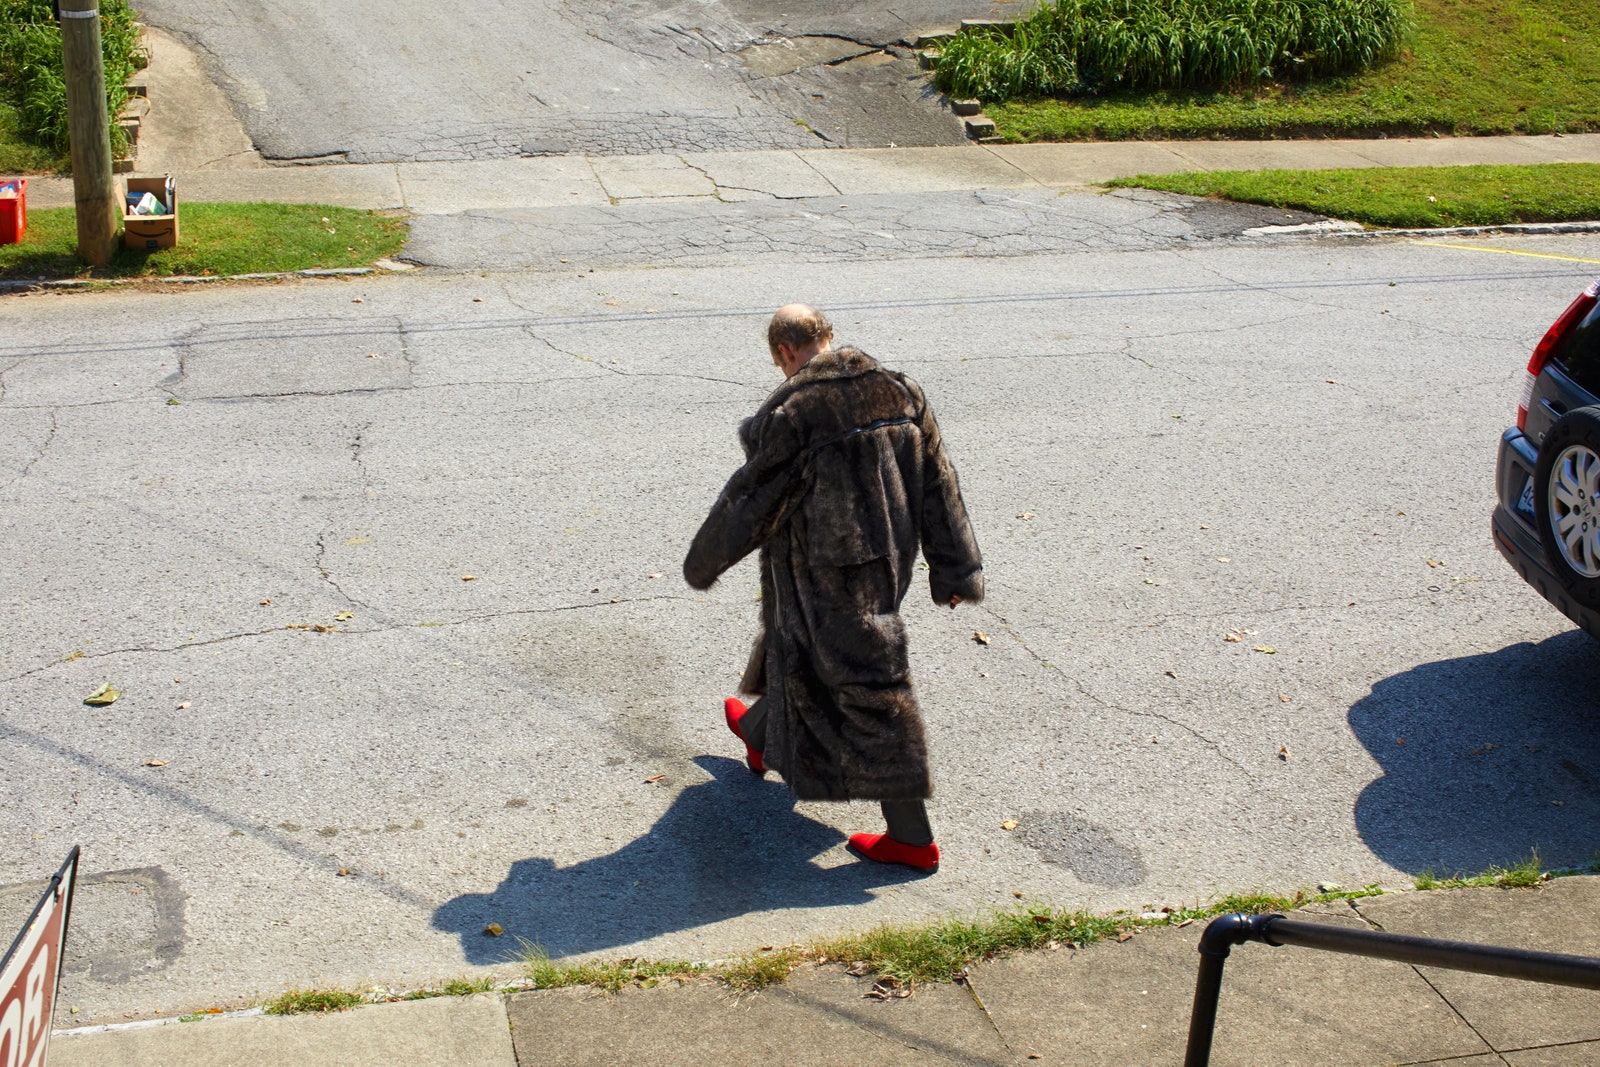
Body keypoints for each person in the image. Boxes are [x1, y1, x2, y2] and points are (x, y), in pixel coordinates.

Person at [683, 304, 983, 872]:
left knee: (873, 694)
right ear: (827, 337)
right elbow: (939, 484)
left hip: (826, 574)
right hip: (890, 561)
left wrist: (703, 564)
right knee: (813, 662)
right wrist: (954, 569)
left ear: (784, 353)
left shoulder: (795, 413)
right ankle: (756, 731)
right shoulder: (902, 391)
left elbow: (750, 503)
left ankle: (913, 842)